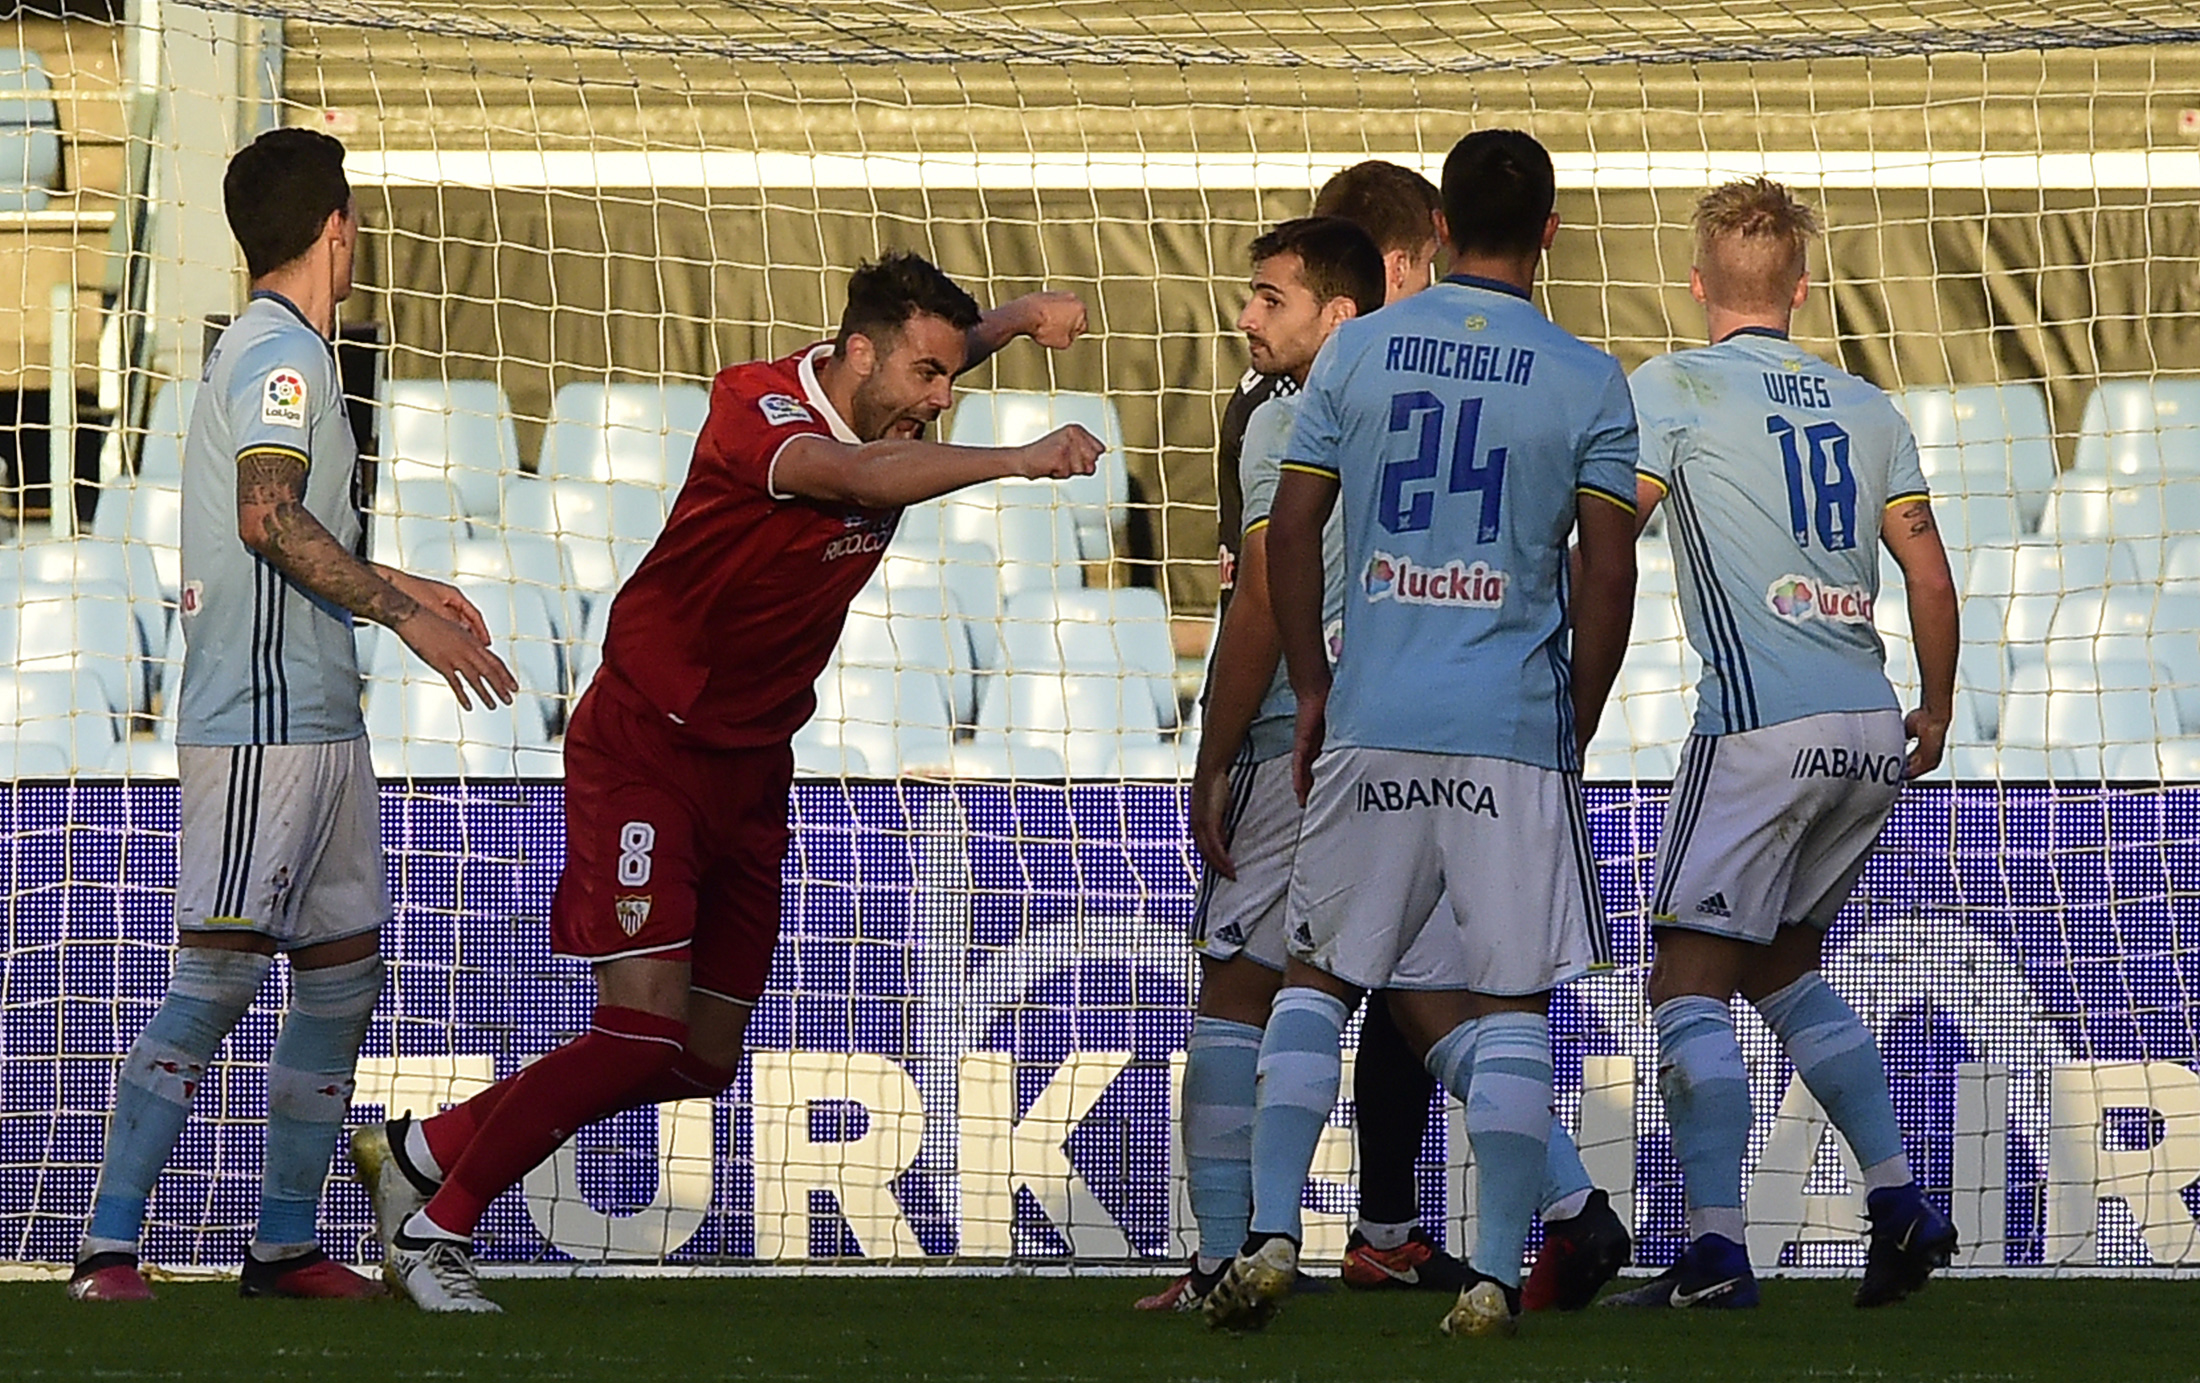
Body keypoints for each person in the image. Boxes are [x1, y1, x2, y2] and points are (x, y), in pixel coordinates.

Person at [351, 252, 1100, 1313]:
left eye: (948, 381)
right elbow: (857, 481)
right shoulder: (758, 409)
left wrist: (1018, 317)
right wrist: (1021, 457)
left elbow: (920, 373)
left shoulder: (892, 387)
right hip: (646, 747)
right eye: (927, 379)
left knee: (700, 1059)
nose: (939, 402)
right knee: (640, 1031)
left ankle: (425, 1152)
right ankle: (436, 1231)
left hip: (753, 763)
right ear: (855, 355)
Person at [68, 127, 519, 1303]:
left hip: (318, 721)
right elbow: (268, 515)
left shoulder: (285, 353)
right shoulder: (281, 359)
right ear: (337, 228)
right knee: (218, 973)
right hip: (261, 725)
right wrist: (404, 619)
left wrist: (404, 587)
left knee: (340, 974)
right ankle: (106, 1248)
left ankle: (281, 1249)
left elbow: (290, 526)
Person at [1150, 210, 1628, 1315]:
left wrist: (1218, 750)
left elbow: (1266, 590)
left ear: (1341, 308)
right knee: (1438, 992)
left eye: (1270, 297)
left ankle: (1234, 1249)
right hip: (1474, 732)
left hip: (1310, 742)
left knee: (1252, 983)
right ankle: (1559, 1211)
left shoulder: (1303, 409)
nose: (1246, 315)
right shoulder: (1542, 380)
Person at [1605, 178, 1960, 1311]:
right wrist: (1936, 712)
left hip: (1760, 723)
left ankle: (1715, 1250)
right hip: (1870, 721)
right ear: (1801, 291)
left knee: (1684, 980)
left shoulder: (1669, 387)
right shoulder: (1867, 408)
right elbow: (1930, 573)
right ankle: (1900, 1199)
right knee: (1783, 966)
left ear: (1698, 284)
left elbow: (1618, 529)